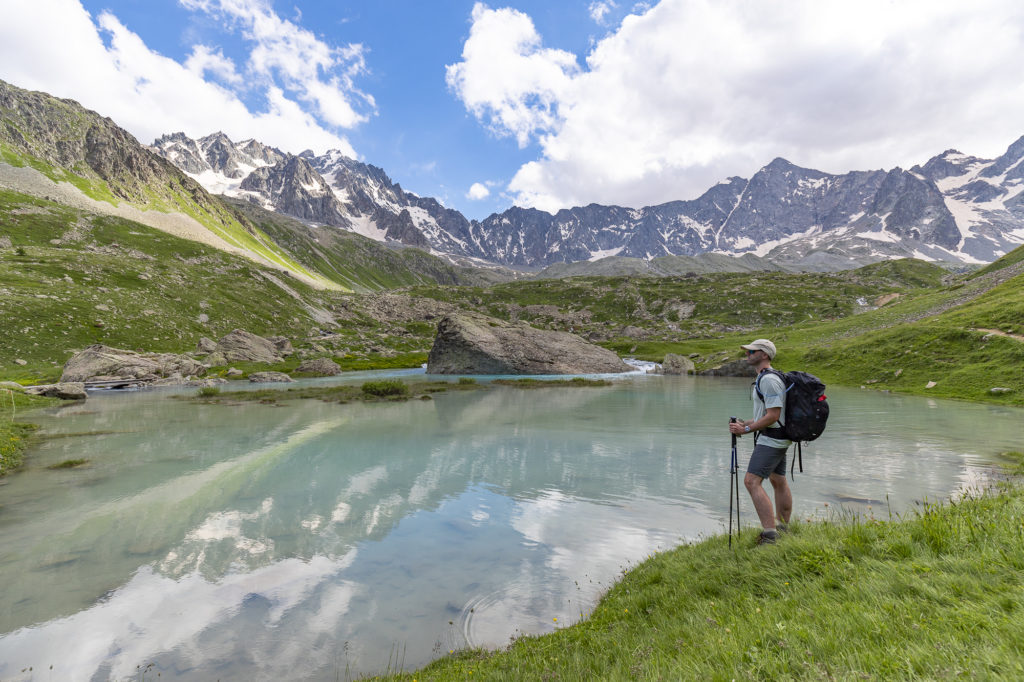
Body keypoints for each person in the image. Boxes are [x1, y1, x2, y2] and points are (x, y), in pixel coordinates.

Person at [728, 338, 792, 545]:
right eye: (747, 352)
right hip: (778, 437)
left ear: (764, 354)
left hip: (772, 439)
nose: (747, 355)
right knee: (778, 480)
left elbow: (773, 415)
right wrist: (745, 423)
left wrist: (745, 429)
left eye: (751, 351)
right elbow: (766, 415)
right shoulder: (766, 378)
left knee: (751, 482)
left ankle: (770, 534)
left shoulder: (768, 380)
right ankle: (783, 528)